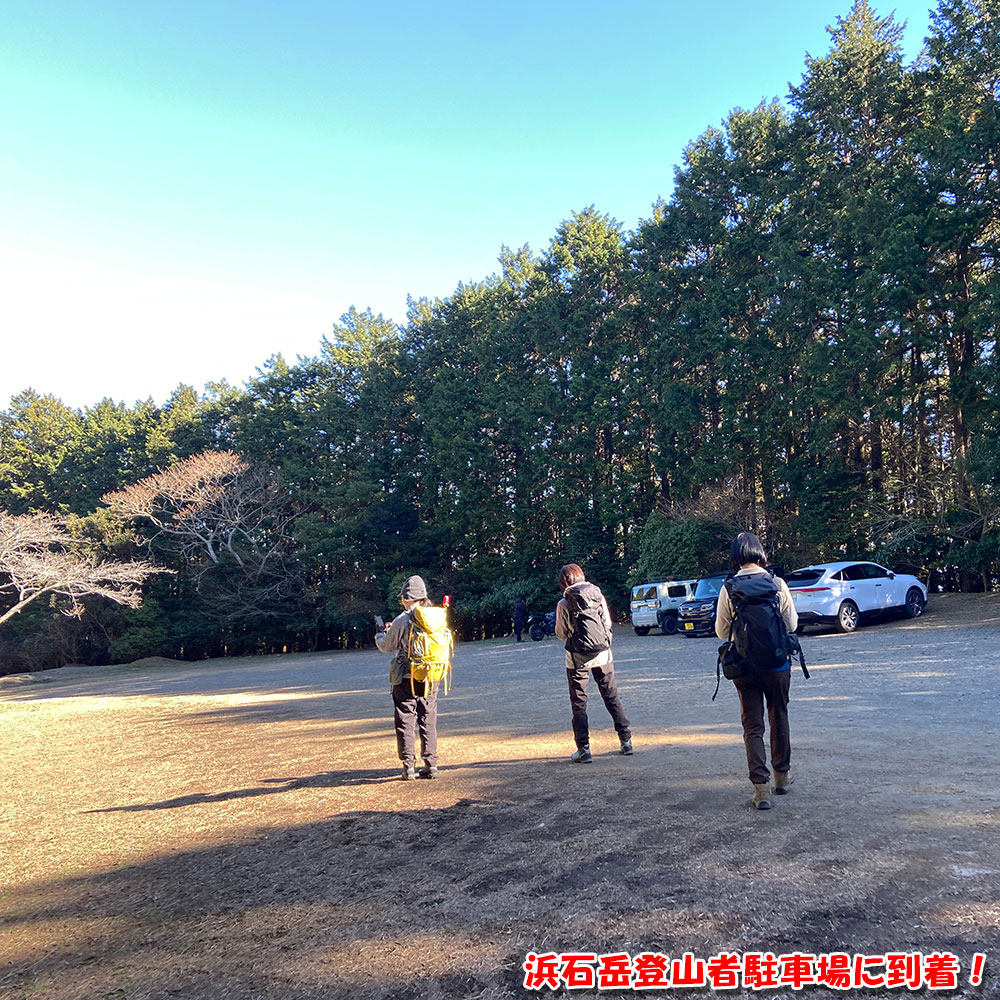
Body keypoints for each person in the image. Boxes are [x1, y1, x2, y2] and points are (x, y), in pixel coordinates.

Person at [715, 532, 798, 810]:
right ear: (760, 553)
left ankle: (761, 790)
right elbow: (792, 625)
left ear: (736, 557)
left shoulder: (729, 588)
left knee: (752, 725)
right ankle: (782, 777)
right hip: (777, 663)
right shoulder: (777, 583)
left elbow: (721, 631)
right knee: (779, 716)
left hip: (745, 665)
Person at [555, 563, 633, 762]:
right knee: (612, 697)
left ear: (564, 581)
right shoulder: (597, 595)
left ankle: (584, 749)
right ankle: (626, 741)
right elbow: (607, 622)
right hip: (603, 654)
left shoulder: (564, 603)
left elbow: (560, 633)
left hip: (577, 657)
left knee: (579, 705)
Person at [375, 574, 439, 780]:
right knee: (427, 718)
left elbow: (387, 646)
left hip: (406, 676)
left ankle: (409, 766)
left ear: (407, 597)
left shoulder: (402, 619)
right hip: (431, 675)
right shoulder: (436, 617)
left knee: (405, 718)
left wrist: (379, 634)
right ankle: (431, 764)